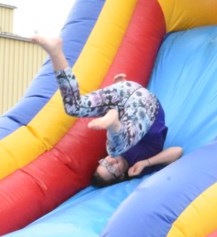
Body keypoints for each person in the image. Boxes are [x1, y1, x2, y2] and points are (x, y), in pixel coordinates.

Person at [32, 36, 182, 186]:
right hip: (149, 107)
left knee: (74, 108)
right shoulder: (138, 165)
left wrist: (119, 91)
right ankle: (114, 120)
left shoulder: (113, 150)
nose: (110, 160)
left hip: (127, 94)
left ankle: (56, 53)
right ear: (121, 176)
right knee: (117, 147)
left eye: (105, 162)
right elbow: (177, 151)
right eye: (111, 168)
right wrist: (146, 163)